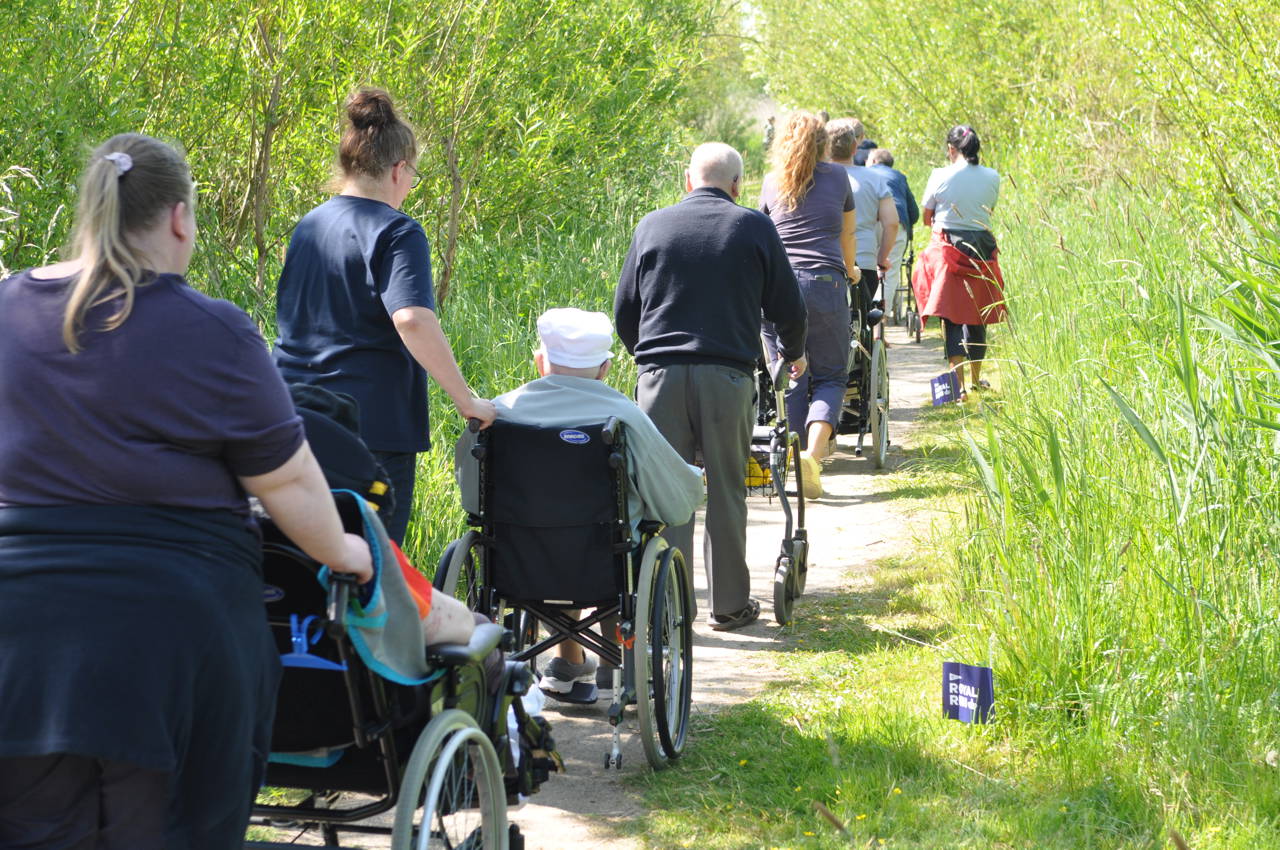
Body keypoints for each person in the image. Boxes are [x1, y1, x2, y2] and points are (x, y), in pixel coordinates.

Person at [0, 133, 374, 849]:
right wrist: (348, 553)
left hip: (19, 641)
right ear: (178, 218)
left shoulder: (7, 312)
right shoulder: (214, 330)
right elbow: (290, 481)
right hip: (170, 641)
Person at [274, 87, 496, 545]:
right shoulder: (397, 231)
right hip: (369, 428)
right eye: (413, 173)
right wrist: (466, 400)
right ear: (399, 170)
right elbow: (411, 318)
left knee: (298, 556)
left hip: (293, 413)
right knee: (373, 563)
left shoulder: (309, 226)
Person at [458, 308, 704, 695]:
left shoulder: (498, 413)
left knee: (546, 535)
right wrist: (694, 482)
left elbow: (472, 499)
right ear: (605, 369)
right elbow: (676, 501)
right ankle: (613, 662)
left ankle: (568, 660)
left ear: (540, 362)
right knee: (618, 533)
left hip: (519, 563)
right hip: (602, 563)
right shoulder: (624, 415)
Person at [615, 142, 807, 632]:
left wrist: (647, 358)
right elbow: (788, 306)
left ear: (688, 180)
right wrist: (794, 352)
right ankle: (730, 605)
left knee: (665, 491)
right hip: (727, 376)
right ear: (737, 184)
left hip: (659, 377)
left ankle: (670, 606)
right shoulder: (754, 227)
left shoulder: (651, 226)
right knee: (726, 489)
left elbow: (624, 310)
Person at [759, 112, 858, 499]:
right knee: (831, 376)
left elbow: (762, 235)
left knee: (791, 374)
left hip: (779, 289)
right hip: (825, 283)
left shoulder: (772, 182)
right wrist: (851, 269)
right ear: (822, 144)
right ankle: (811, 459)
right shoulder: (838, 177)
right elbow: (848, 233)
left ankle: (793, 457)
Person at [914, 124, 1005, 399]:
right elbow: (988, 211)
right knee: (978, 315)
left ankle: (959, 386)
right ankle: (976, 379)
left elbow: (927, 217)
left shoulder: (940, 175)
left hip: (948, 250)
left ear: (951, 149)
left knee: (951, 316)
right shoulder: (993, 176)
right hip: (982, 249)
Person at [827, 119, 899, 313]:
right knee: (862, 317)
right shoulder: (874, 179)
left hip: (827, 260)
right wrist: (882, 258)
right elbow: (892, 223)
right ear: (854, 147)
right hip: (864, 259)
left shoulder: (817, 179)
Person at [867, 148, 920, 316]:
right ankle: (880, 320)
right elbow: (914, 213)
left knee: (867, 266)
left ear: (873, 161)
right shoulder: (899, 177)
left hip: (870, 223)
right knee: (889, 274)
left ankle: (865, 313)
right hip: (896, 223)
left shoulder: (866, 174)